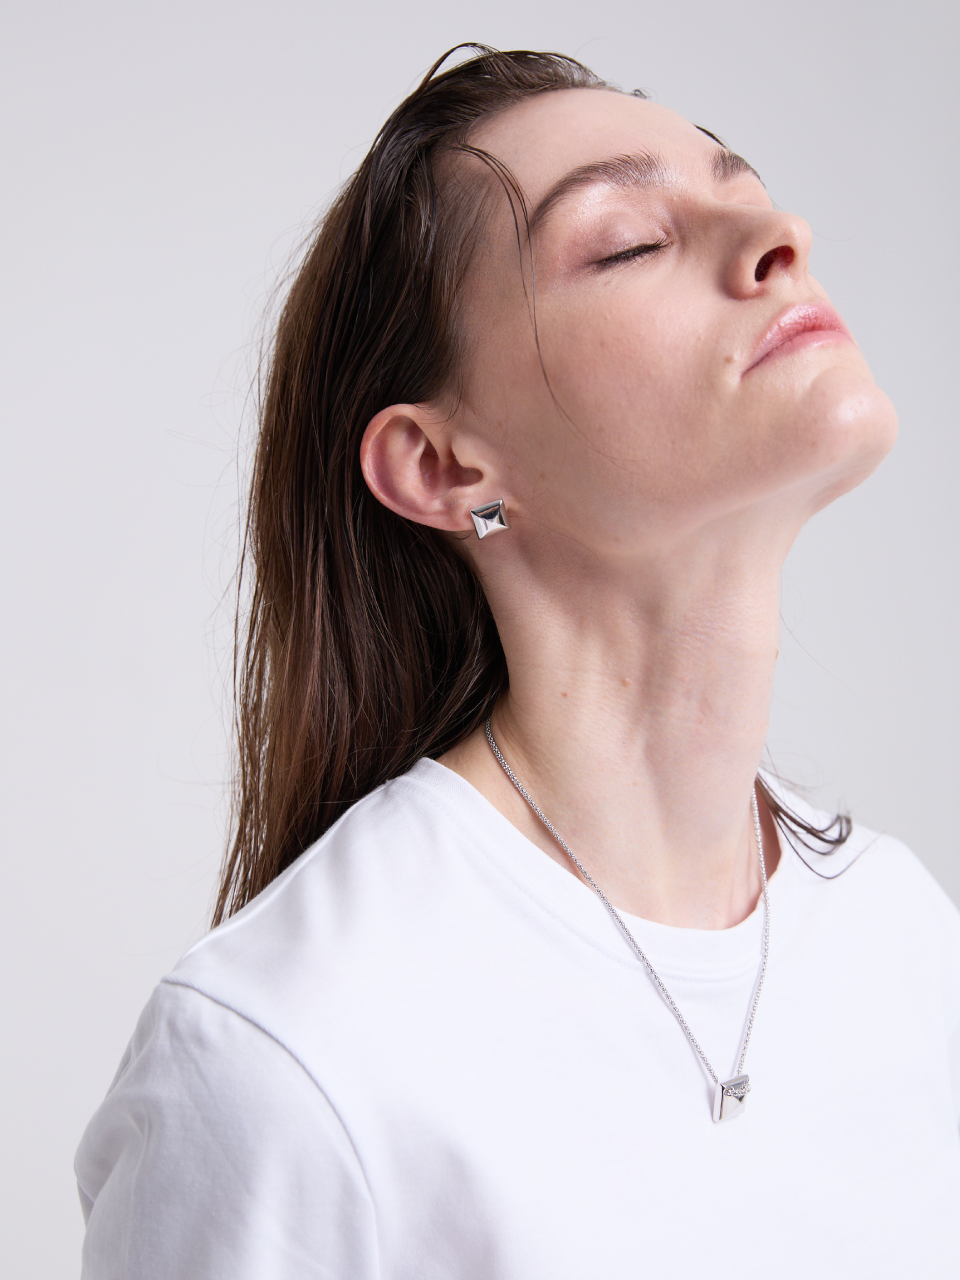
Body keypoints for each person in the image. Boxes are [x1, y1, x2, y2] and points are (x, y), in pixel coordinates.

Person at [74, 45, 960, 1278]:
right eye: (628, 243)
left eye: (750, 188)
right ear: (447, 468)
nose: (781, 236)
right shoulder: (290, 1053)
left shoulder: (906, 941)